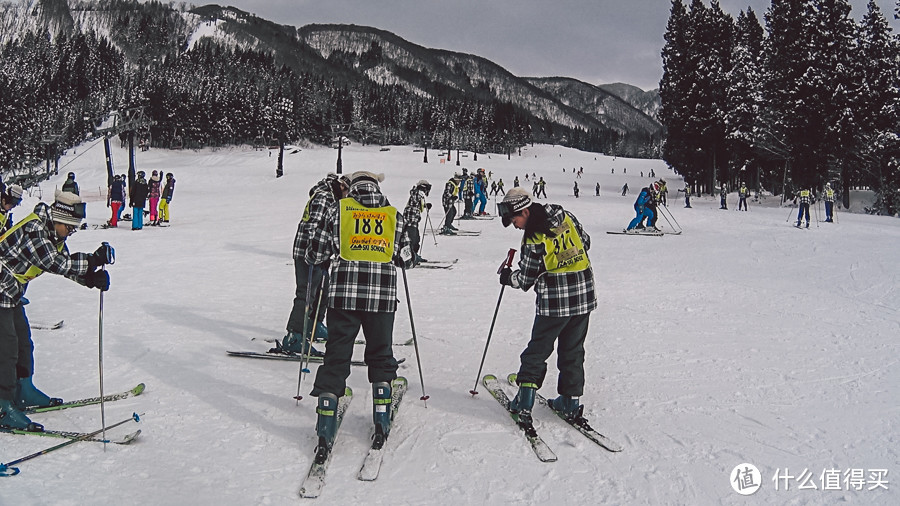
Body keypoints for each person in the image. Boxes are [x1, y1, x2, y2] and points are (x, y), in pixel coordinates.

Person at [305, 171, 411, 463]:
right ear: (376, 187)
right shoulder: (394, 216)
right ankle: (381, 415)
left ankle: (325, 423)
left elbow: (317, 252)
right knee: (380, 352)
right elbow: (407, 258)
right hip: (381, 299)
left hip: (343, 297)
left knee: (337, 354)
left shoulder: (339, 211)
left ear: (352, 188)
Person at [0, 190, 112, 431]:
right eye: (69, 227)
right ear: (58, 219)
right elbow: (54, 263)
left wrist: (90, 278)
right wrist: (91, 260)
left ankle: (24, 389)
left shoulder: (53, 233)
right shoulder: (35, 230)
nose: (71, 231)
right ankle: (2, 405)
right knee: (6, 348)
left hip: (10, 293)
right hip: (2, 291)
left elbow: (65, 263)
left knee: (23, 343)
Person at [496, 187, 598, 428]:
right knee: (573, 350)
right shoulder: (566, 217)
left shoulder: (533, 238)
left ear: (526, 211)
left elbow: (526, 279)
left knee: (538, 350)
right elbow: (586, 242)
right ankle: (570, 401)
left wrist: (508, 277)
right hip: (583, 294)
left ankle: (524, 401)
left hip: (555, 302)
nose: (515, 225)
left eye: (515, 219)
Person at [278, 174, 350, 356]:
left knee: (323, 292)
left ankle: (314, 324)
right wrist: (314, 253)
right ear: (342, 187)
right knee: (307, 293)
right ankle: (294, 335)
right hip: (307, 253)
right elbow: (312, 227)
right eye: (348, 193)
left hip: (322, 254)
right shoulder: (324, 197)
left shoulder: (332, 197)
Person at [402, 180, 431, 265]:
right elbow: (414, 197)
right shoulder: (416, 193)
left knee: (416, 238)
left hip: (414, 220)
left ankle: (414, 255)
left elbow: (415, 203)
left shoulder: (418, 194)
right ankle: (409, 257)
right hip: (411, 220)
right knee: (412, 239)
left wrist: (425, 205)